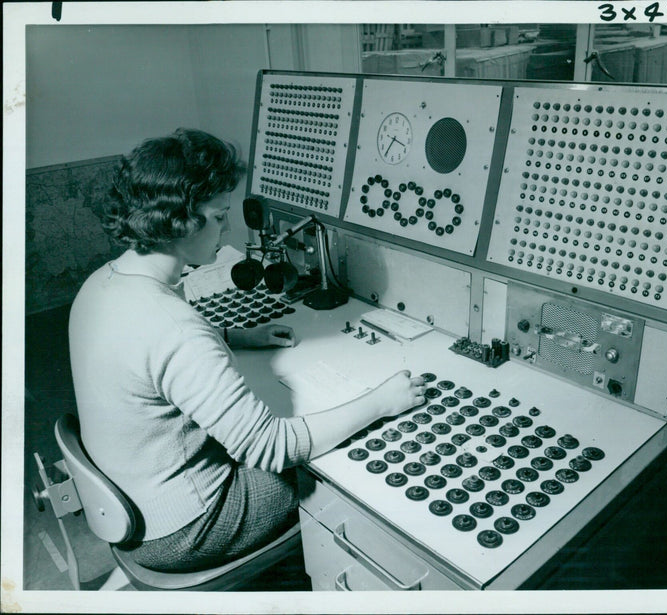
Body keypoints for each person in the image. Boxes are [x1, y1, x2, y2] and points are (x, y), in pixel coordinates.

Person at [68, 128, 425, 572]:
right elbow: (271, 448)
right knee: (337, 472)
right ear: (181, 221)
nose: (228, 228)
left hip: (133, 507)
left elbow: (148, 356)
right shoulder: (174, 328)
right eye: (219, 217)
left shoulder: (101, 283)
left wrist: (230, 336)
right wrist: (380, 402)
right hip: (187, 530)